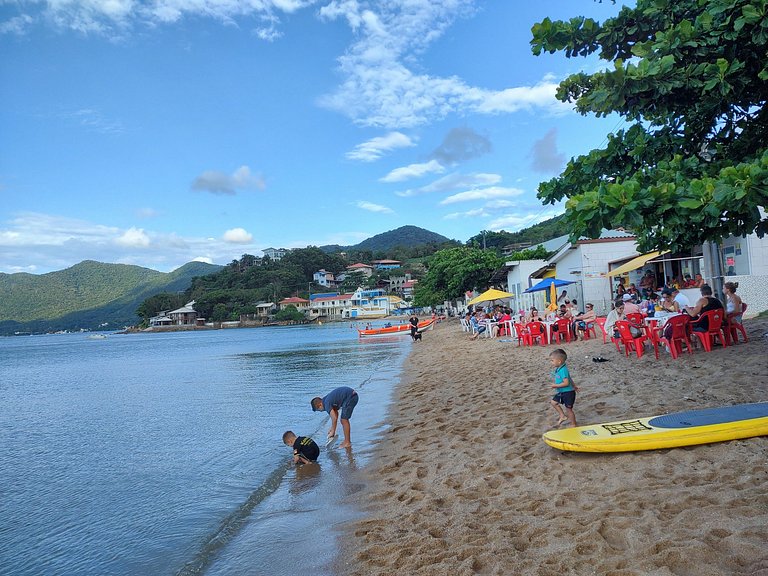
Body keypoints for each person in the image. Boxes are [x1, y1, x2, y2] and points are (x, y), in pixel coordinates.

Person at [548, 348, 578, 428]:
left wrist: (555, 385)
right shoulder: (559, 368)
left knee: (569, 410)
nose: (551, 362)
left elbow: (566, 383)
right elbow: (569, 378)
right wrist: (574, 385)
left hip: (568, 393)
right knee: (553, 402)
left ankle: (573, 424)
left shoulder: (563, 370)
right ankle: (562, 416)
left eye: (552, 360)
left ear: (559, 361)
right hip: (562, 392)